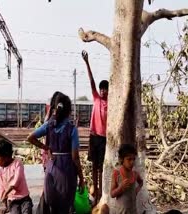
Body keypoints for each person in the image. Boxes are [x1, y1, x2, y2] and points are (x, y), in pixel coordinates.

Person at [27, 92, 84, 214]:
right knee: (65, 205)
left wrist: (46, 147)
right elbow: (75, 157)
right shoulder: (72, 129)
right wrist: (82, 178)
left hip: (51, 167)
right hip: (67, 170)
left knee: (52, 204)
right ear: (69, 111)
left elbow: (30, 138)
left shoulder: (48, 125)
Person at [82, 50, 108, 203]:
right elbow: (91, 81)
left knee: (101, 167)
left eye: (105, 89)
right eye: (101, 89)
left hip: (104, 138)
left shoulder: (110, 103)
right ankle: (95, 191)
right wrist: (87, 62)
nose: (103, 91)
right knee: (94, 166)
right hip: (94, 136)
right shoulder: (96, 98)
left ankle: (101, 194)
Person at [0, 139, 33, 214]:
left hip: (24, 198)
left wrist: (6, 193)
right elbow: (1, 188)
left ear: (6, 156)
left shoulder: (18, 163)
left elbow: (16, 180)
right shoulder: (1, 171)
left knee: (27, 211)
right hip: (12, 201)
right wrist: (4, 204)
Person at [110, 144, 143, 214]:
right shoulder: (117, 173)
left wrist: (137, 190)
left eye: (134, 159)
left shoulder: (135, 173)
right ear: (122, 159)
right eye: (129, 159)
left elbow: (141, 182)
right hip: (121, 211)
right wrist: (120, 187)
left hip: (133, 210)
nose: (132, 162)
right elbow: (112, 194)